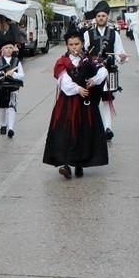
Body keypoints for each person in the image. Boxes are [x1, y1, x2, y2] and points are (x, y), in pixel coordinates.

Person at [43, 28, 109, 179]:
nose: (74, 47)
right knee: (66, 132)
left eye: (77, 44)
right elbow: (63, 81)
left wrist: (94, 80)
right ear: (67, 45)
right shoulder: (62, 62)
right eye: (71, 44)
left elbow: (103, 71)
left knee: (84, 132)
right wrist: (77, 88)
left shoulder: (90, 60)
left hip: (86, 104)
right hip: (68, 102)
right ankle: (66, 163)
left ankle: (80, 163)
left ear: (82, 44)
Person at [82, 1, 127, 140]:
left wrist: (122, 57)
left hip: (109, 71)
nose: (101, 18)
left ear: (107, 17)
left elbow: (120, 52)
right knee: (94, 100)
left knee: (107, 100)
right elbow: (84, 52)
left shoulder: (114, 34)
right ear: (96, 18)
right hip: (93, 72)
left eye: (103, 16)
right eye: (99, 16)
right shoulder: (88, 34)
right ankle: (95, 128)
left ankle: (108, 128)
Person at [0, 39, 24, 138]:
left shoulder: (16, 61)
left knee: (11, 107)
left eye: (10, 48)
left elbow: (22, 75)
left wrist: (13, 74)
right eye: (6, 48)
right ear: (2, 50)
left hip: (13, 87)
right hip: (1, 87)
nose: (8, 50)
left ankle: (11, 128)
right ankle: (3, 125)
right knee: (2, 108)